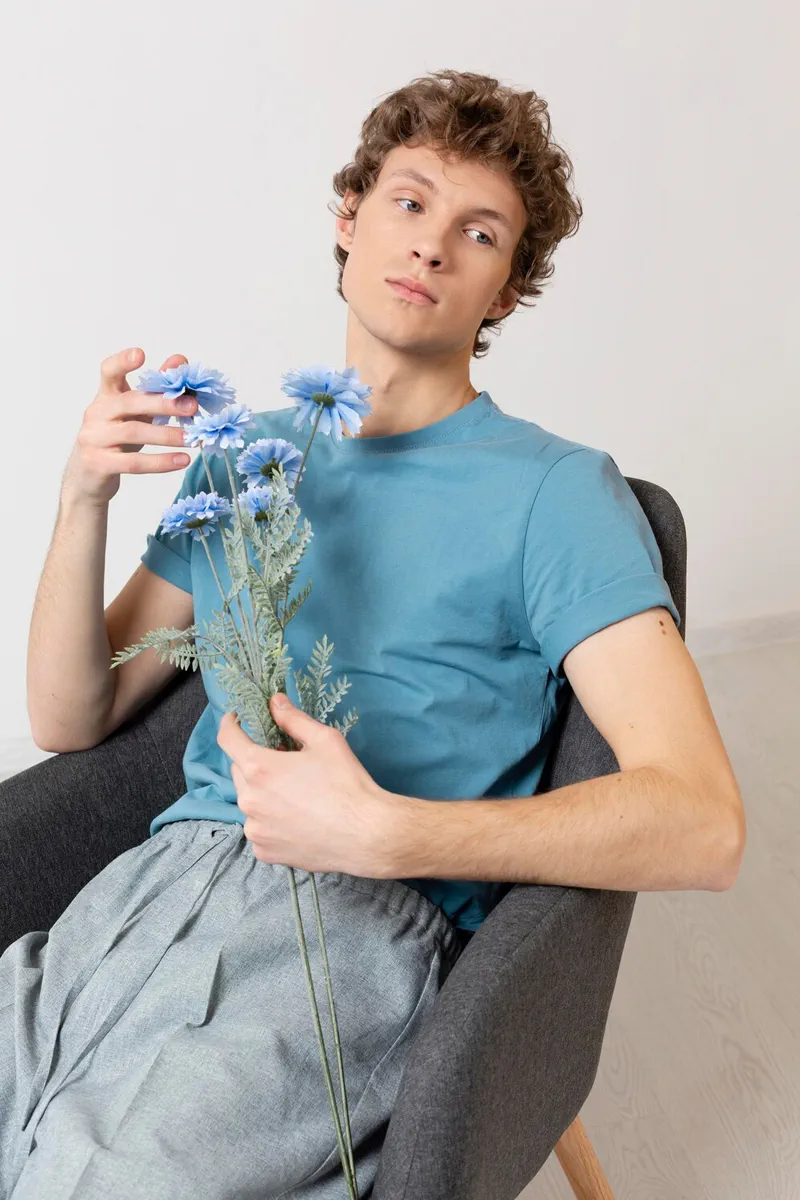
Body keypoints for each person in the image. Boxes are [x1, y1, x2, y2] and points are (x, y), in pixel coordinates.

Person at [2, 68, 744, 1199]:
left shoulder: (555, 493)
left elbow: (703, 821)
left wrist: (390, 831)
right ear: (348, 221)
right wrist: (82, 501)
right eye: (409, 201)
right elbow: (73, 714)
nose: (431, 246)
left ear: (504, 291)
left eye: (479, 232)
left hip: (350, 926)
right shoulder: (249, 456)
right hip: (148, 891)